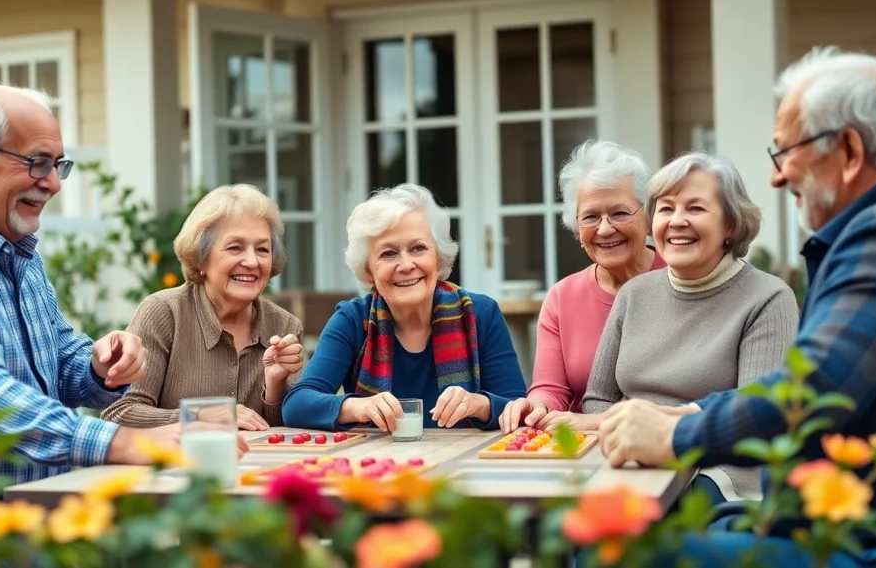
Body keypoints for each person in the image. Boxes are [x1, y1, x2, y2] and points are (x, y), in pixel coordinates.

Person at [598, 47, 876, 566]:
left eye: (787, 152)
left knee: (613, 553)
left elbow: (810, 389)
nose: (777, 176)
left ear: (851, 151)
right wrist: (684, 417)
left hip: (867, 543)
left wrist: (678, 432)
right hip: (822, 525)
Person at [0, 85, 246, 510]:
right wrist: (124, 441)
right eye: (37, 163)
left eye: (58, 165)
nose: (54, 184)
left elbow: (58, 362)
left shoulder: (15, 249)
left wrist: (99, 366)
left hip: (26, 501)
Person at [557, 152, 799, 504]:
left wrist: (659, 430)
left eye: (696, 209)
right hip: (633, 464)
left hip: (717, 472)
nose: (677, 221)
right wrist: (633, 439)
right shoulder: (635, 294)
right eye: (666, 209)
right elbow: (598, 399)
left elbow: (754, 415)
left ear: (730, 224)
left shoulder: (768, 298)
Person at [281, 184, 527, 431]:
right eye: (388, 254)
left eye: (418, 248)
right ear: (369, 271)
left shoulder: (481, 314)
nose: (406, 264)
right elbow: (296, 405)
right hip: (377, 464)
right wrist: (359, 407)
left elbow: (518, 407)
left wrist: (479, 404)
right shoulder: (352, 319)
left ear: (438, 257)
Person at [101, 185, 305, 430]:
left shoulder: (285, 326)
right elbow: (120, 413)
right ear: (201, 258)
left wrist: (275, 385)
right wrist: (199, 416)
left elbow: (285, 433)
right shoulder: (163, 313)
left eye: (262, 249)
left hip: (256, 467)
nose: (252, 261)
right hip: (175, 466)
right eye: (235, 247)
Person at [498, 140, 666, 434]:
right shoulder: (563, 297)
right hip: (585, 450)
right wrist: (536, 405)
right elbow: (551, 390)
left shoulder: (681, 279)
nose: (604, 229)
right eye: (590, 216)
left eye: (620, 213)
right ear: (576, 228)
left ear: (648, 216)